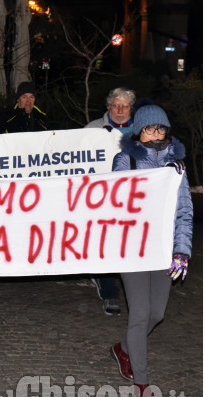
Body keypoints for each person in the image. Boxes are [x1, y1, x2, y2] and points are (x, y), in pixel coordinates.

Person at [110, 105, 192, 397]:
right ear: (139, 132)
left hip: (162, 249)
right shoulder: (126, 159)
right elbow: (118, 201)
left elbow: (184, 211)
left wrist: (182, 251)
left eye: (161, 129)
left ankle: (124, 348)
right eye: (149, 129)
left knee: (157, 313)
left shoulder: (177, 166)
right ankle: (141, 382)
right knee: (141, 313)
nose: (156, 134)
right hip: (133, 249)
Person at [85, 88, 137, 315]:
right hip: (101, 198)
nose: (119, 110)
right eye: (115, 105)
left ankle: (136, 292)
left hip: (133, 199)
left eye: (124, 106)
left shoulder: (141, 130)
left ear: (131, 109)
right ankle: (109, 291)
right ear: (108, 107)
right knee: (104, 242)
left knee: (129, 244)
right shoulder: (93, 129)